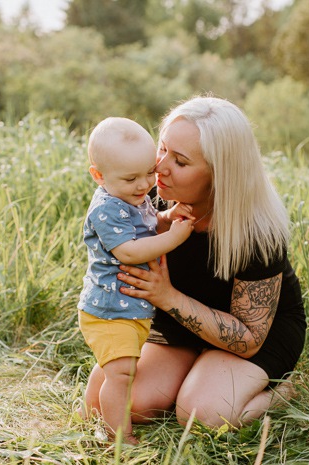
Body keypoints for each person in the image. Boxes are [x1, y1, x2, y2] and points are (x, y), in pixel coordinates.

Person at [81, 96, 307, 430]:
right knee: (123, 405)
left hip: (254, 334)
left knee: (202, 415)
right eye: (162, 149)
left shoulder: (257, 233)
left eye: (181, 162)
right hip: (180, 321)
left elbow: (248, 339)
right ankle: (195, 370)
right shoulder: (151, 194)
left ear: (220, 175)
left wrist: (166, 296)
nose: (160, 167)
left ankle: (282, 392)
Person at [77, 117, 194, 444]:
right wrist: (174, 237)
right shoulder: (106, 209)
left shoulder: (130, 195)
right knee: (122, 374)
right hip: (109, 310)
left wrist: (166, 217)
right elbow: (129, 250)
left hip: (126, 307)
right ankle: (119, 438)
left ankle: (88, 415)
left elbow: (146, 222)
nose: (144, 185)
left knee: (112, 367)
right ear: (99, 176)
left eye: (148, 172)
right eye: (132, 178)